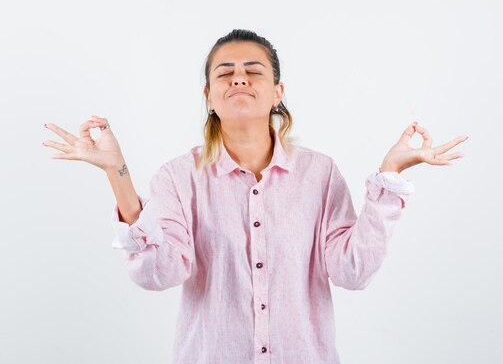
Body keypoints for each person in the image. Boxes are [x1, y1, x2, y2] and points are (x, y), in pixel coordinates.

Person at [42, 28, 467, 364]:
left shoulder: (319, 174)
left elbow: (353, 271)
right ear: (208, 96)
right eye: (224, 72)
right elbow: (158, 274)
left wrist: (389, 175)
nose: (239, 77)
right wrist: (118, 173)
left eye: (254, 70)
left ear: (278, 92)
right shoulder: (178, 177)